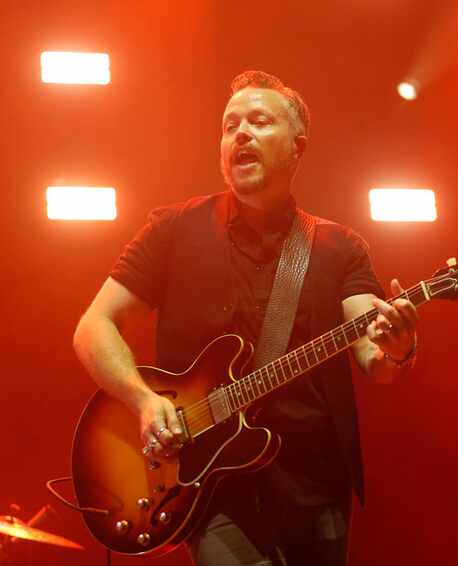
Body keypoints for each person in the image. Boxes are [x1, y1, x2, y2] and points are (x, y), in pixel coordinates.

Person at [72, 70, 418, 566]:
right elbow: (94, 326)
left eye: (258, 121)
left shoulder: (339, 247)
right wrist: (142, 400)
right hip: (213, 490)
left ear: (297, 146)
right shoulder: (173, 229)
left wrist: (399, 347)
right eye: (230, 124)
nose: (241, 134)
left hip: (315, 485)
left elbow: (374, 354)